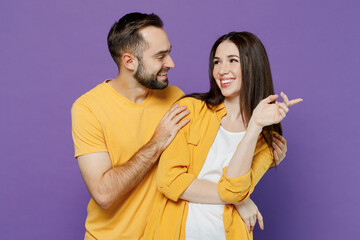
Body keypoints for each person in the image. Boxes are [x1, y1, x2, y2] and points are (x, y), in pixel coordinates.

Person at [72, 12, 288, 239]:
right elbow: (104, 194)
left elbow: (201, 168)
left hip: (164, 232)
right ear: (129, 61)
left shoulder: (176, 99)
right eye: (160, 56)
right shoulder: (88, 108)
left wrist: (243, 190)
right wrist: (157, 142)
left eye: (169, 52)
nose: (171, 63)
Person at [143, 32, 302, 240]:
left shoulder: (265, 140)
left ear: (253, 66)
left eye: (232, 61)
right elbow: (168, 180)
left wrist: (254, 126)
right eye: (217, 62)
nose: (221, 70)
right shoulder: (190, 109)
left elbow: (235, 189)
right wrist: (240, 201)